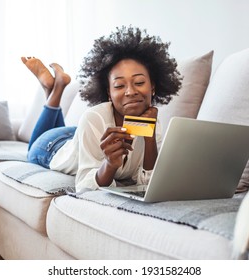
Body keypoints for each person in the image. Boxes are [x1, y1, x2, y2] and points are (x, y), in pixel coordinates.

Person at [22, 26, 182, 192]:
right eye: (119, 85)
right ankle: (55, 91)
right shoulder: (93, 117)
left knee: (76, 139)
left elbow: (149, 183)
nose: (131, 91)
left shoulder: (154, 120)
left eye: (139, 83)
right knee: (30, 150)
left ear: (153, 87)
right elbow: (84, 187)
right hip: (52, 145)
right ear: (109, 93)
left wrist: (149, 138)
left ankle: (51, 88)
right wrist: (110, 165)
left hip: (78, 135)